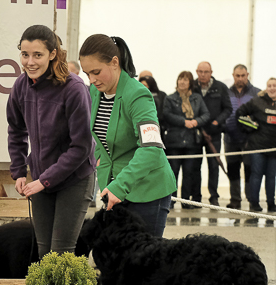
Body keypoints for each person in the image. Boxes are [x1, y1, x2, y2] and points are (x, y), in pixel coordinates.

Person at [6, 25, 95, 256]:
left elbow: (81, 147)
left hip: (74, 179)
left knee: (61, 252)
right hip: (41, 179)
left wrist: (44, 181)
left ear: (52, 54)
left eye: (38, 55)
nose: (30, 62)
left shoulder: (74, 88)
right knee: (44, 252)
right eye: (25, 54)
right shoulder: (20, 86)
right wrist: (19, 171)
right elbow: (16, 131)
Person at [80, 33, 175, 234]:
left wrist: (120, 185)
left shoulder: (138, 94)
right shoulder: (95, 91)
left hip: (147, 190)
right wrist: (99, 161)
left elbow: (151, 148)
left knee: (143, 253)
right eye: (87, 74)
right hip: (113, 189)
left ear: (115, 62)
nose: (92, 79)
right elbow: (98, 137)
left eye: (96, 72)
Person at [161, 71, 209, 208]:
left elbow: (206, 114)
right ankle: (170, 200)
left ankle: (186, 201)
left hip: (192, 142)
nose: (182, 82)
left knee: (189, 173)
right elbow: (167, 114)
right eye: (180, 79)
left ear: (190, 83)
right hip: (174, 142)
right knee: (173, 173)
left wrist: (196, 121)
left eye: (185, 80)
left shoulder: (197, 98)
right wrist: (184, 122)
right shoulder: (170, 98)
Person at [194, 61, 232, 206]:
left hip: (214, 134)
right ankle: (196, 196)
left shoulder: (220, 87)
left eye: (206, 72)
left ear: (211, 73)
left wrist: (217, 121)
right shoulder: (192, 86)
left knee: (214, 166)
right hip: (197, 133)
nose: (203, 75)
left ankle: (214, 196)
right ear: (197, 72)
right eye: (200, 72)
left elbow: (228, 108)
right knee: (195, 166)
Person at [237, 77, 276, 213]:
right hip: (257, 147)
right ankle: (254, 203)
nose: (272, 88)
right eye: (270, 86)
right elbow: (239, 114)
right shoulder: (257, 101)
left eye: (275, 86)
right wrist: (252, 126)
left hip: (274, 148)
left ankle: (271, 203)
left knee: (271, 177)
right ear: (266, 87)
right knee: (256, 175)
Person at [224, 64, 259, 208]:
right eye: (237, 76)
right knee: (232, 170)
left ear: (247, 75)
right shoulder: (226, 93)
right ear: (233, 76)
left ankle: (251, 199)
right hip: (230, 138)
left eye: (243, 76)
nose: (240, 78)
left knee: (250, 170)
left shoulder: (257, 93)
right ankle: (235, 199)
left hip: (250, 139)